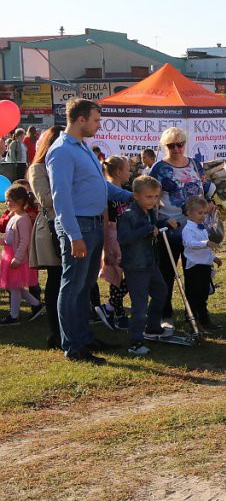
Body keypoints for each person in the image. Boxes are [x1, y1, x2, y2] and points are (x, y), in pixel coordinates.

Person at [47, 98, 133, 364]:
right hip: (79, 226)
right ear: (81, 119)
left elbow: (100, 187)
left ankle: (84, 338)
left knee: (85, 286)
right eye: (96, 120)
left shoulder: (83, 148)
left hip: (94, 224)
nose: (98, 125)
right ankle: (74, 347)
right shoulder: (61, 150)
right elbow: (60, 198)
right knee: (72, 287)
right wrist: (74, 236)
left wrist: (132, 196)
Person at [151, 127, 216, 323]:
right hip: (170, 226)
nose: (177, 149)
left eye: (180, 144)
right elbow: (152, 198)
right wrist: (159, 221)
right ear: (165, 146)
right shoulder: (158, 168)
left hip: (195, 226)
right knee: (166, 272)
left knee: (195, 272)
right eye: (172, 145)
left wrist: (210, 204)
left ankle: (195, 312)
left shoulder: (195, 164)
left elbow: (203, 189)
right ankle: (164, 312)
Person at [117, 175, 171, 356]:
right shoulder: (128, 215)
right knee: (139, 305)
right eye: (149, 197)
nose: (153, 200)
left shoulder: (151, 212)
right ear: (136, 195)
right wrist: (147, 230)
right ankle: (135, 341)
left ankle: (153, 327)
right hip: (136, 266)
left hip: (151, 262)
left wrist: (164, 223)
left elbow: (154, 227)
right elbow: (124, 238)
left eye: (156, 197)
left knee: (161, 292)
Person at [28, 127, 63, 349]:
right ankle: (54, 331)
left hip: (67, 223)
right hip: (50, 226)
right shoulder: (38, 168)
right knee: (56, 276)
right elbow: (46, 199)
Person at [94, 156, 132, 331]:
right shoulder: (106, 192)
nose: (130, 172)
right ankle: (114, 310)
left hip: (124, 235)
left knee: (129, 273)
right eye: (127, 169)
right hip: (113, 235)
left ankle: (111, 308)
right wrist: (106, 248)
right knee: (118, 275)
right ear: (118, 171)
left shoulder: (124, 189)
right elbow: (105, 217)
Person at [0, 185, 42, 325]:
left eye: (9, 200)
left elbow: (24, 241)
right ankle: (36, 304)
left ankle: (14, 315)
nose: (6, 203)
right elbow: (9, 239)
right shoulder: (14, 216)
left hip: (17, 258)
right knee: (15, 286)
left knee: (14, 286)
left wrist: (17, 258)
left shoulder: (22, 219)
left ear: (19, 201)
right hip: (10, 255)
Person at [182, 195, 222, 331]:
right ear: (189, 213)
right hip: (194, 267)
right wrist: (206, 243)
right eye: (200, 213)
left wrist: (214, 258)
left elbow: (207, 249)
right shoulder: (188, 230)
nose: (203, 216)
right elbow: (191, 244)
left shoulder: (202, 228)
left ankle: (204, 321)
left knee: (203, 294)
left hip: (205, 265)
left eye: (204, 213)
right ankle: (191, 320)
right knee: (194, 295)